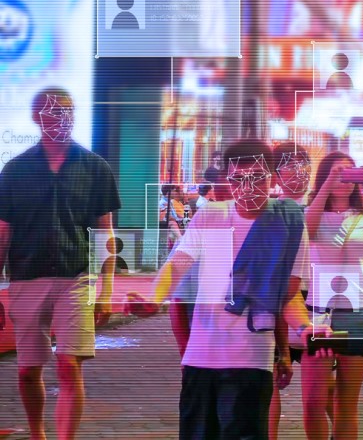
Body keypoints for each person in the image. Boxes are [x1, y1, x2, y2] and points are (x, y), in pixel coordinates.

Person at [126, 139, 335, 440]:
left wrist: (304, 327)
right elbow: (177, 265)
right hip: (202, 356)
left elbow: (287, 295)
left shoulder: (289, 222)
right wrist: (153, 298)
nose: (248, 187)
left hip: (250, 359)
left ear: (273, 177)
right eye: (239, 179)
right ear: (228, 179)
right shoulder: (211, 215)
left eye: (257, 178)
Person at [0, 88, 120, 440]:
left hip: (76, 277)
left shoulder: (95, 167)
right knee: (28, 369)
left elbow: (106, 234)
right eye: (52, 112)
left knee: (69, 365)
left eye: (66, 111)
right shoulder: (15, 169)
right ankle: (38, 433)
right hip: (26, 276)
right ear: (36, 118)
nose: (60, 118)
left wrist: (107, 289)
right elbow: (2, 233)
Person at [301, 152, 363, 440]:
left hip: (360, 312)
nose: (344, 178)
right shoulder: (310, 212)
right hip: (318, 314)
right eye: (338, 172)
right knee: (313, 403)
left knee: (346, 405)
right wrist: (327, 185)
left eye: (350, 173)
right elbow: (307, 231)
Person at [269, 143, 313, 439]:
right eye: (290, 164)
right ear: (276, 173)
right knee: (270, 379)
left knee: (321, 388)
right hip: (280, 301)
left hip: (318, 304)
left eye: (303, 164)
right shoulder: (268, 212)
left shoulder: (329, 204)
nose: (299, 171)